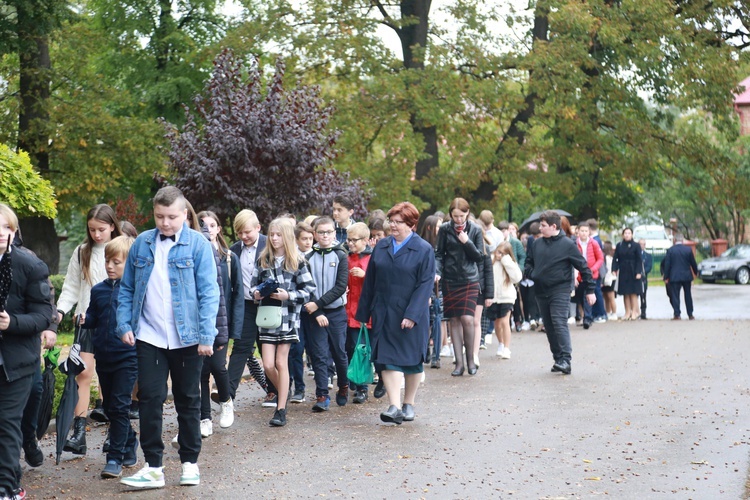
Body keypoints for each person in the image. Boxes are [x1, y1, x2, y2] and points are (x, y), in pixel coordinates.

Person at [117, 186, 219, 489]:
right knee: (149, 397)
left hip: (188, 338)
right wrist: (124, 324)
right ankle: (153, 466)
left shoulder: (198, 245)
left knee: (188, 400)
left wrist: (206, 335)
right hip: (149, 335)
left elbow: (209, 293)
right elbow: (127, 288)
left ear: (184, 214)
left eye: (171, 217)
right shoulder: (142, 244)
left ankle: (189, 463)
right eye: (159, 216)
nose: (165, 223)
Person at [356, 202, 435, 424]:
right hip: (383, 311)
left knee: (411, 361)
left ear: (411, 224)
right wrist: (363, 313)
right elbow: (370, 280)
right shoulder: (381, 246)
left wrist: (412, 315)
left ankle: (408, 403)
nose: (393, 225)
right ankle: (394, 405)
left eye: (398, 222)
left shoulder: (424, 249)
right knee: (386, 360)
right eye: (391, 221)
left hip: (411, 313)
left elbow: (425, 285)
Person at [57, 204, 122, 455]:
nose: (97, 235)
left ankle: (114, 434)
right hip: (86, 321)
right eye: (92, 229)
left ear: (112, 226)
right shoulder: (82, 251)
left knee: (113, 379)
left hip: (113, 323)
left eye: (102, 229)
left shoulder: (121, 248)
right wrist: (60, 311)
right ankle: (79, 435)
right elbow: (71, 286)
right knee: (82, 375)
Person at [0, 205, 54, 500]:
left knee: (7, 420)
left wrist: (12, 322)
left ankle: (7, 486)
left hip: (17, 359)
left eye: (5, 230)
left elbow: (44, 314)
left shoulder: (30, 265)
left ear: (13, 232)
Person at [81, 235, 138, 479]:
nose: (110, 266)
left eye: (116, 262)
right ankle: (131, 440)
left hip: (128, 356)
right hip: (103, 356)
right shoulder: (99, 290)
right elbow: (94, 317)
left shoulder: (135, 291)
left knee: (120, 405)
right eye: (107, 261)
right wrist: (85, 320)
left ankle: (114, 458)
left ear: (130, 264)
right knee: (112, 408)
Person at [251, 218, 316, 426]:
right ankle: (283, 393)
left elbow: (308, 290)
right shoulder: (263, 259)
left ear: (287, 236)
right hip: (267, 317)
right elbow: (252, 286)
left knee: (281, 362)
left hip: (288, 318)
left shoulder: (298, 261)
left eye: (279, 235)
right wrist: (257, 293)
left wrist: (288, 296)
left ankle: (280, 410)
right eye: (272, 234)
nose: (274, 238)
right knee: (268, 365)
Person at [524, 211, 595, 375]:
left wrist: (590, 290)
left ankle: (565, 359)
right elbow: (528, 263)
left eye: (543, 225)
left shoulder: (568, 244)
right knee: (548, 326)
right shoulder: (537, 244)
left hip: (560, 290)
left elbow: (583, 267)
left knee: (559, 322)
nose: (540, 228)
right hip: (541, 290)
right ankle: (558, 358)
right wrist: (531, 273)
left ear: (553, 226)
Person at [198, 211, 244, 434]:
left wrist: (234, 328)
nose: (209, 229)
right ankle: (204, 418)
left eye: (212, 225)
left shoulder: (228, 258)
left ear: (218, 229)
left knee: (217, 366)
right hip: (199, 322)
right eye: (203, 225)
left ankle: (226, 400)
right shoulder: (195, 254)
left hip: (221, 323)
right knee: (201, 372)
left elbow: (236, 294)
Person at [227, 210, 277, 408]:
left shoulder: (270, 244)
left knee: (268, 349)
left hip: (269, 304)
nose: (243, 236)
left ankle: (276, 390)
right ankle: (227, 394)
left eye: (247, 232)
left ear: (258, 228)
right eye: (239, 233)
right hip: (246, 306)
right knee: (241, 347)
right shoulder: (234, 250)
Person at [304, 216, 350, 412]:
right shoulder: (307, 258)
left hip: (336, 312)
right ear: (314, 234)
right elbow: (306, 286)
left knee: (339, 352)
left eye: (329, 232)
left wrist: (318, 304)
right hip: (315, 314)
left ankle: (344, 386)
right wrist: (317, 311)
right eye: (321, 232)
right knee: (319, 355)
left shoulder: (341, 255)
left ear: (335, 233)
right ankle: (322, 395)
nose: (325, 236)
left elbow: (341, 286)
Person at [435, 198, 484, 376]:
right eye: (455, 216)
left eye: (462, 216)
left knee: (468, 319)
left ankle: (471, 360)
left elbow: (479, 257)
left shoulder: (475, 230)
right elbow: (439, 254)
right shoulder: (444, 230)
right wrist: (437, 270)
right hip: (450, 279)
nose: (458, 220)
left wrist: (466, 242)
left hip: (469, 279)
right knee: (453, 320)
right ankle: (459, 363)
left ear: (468, 213)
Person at [345, 222, 373, 403]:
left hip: (365, 312)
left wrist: (365, 276)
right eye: (348, 240)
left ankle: (362, 387)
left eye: (354, 240)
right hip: (347, 311)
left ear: (365, 240)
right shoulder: (346, 257)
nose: (350, 243)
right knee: (348, 347)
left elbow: (381, 282)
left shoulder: (372, 258)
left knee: (361, 349)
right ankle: (353, 378)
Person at [288, 222, 315, 403]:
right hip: (296, 310)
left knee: (315, 350)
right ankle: (298, 386)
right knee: (296, 350)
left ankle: (323, 385)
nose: (308, 242)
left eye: (310, 238)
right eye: (304, 239)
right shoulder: (292, 258)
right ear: (296, 240)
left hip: (313, 309)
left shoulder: (316, 256)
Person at [418, 215, 444, 368]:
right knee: (425, 320)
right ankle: (425, 350)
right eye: (438, 227)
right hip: (423, 287)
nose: (440, 230)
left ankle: (436, 356)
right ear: (430, 227)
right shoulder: (421, 245)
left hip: (437, 287)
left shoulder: (441, 245)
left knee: (437, 318)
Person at [489, 242, 522, 359]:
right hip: (494, 297)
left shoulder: (510, 263)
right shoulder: (491, 261)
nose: (499, 255)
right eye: (498, 251)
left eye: (502, 253)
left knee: (504, 321)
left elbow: (517, 278)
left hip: (507, 296)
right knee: (497, 323)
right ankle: (501, 343)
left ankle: (507, 348)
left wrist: (505, 261)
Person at [574, 222, 604, 329]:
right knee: (580, 295)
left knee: (588, 294)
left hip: (591, 274)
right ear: (578, 231)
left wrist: (593, 269)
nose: (584, 233)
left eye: (586, 231)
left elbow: (600, 258)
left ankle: (587, 318)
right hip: (579, 274)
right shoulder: (575, 244)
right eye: (582, 231)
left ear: (589, 232)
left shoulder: (594, 243)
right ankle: (583, 316)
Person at [663, 235, 698, 320]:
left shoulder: (670, 250)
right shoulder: (688, 250)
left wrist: (666, 277)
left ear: (674, 240)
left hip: (674, 276)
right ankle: (690, 314)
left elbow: (667, 265)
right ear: (682, 241)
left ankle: (677, 314)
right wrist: (696, 272)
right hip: (686, 276)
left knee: (675, 295)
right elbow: (693, 262)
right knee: (688, 295)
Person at [612, 228, 643, 321]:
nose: (627, 235)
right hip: (623, 270)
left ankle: (634, 312)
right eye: (625, 233)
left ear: (632, 235)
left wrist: (638, 272)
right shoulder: (619, 245)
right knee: (625, 292)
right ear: (623, 235)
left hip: (633, 270)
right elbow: (615, 258)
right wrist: (614, 269)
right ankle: (627, 312)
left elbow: (639, 260)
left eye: (629, 233)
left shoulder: (636, 245)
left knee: (633, 292)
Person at [601, 241, 618, 320]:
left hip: (610, 279)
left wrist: (605, 281)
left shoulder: (608, 258)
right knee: (606, 297)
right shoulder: (607, 257)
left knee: (611, 297)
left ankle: (614, 313)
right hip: (606, 279)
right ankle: (608, 312)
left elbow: (608, 271)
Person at [639, 239, 653, 320]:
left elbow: (649, 266)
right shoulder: (635, 255)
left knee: (643, 296)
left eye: (643, 244)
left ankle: (643, 312)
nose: (641, 246)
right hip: (635, 278)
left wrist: (642, 273)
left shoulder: (648, 256)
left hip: (643, 278)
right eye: (640, 244)